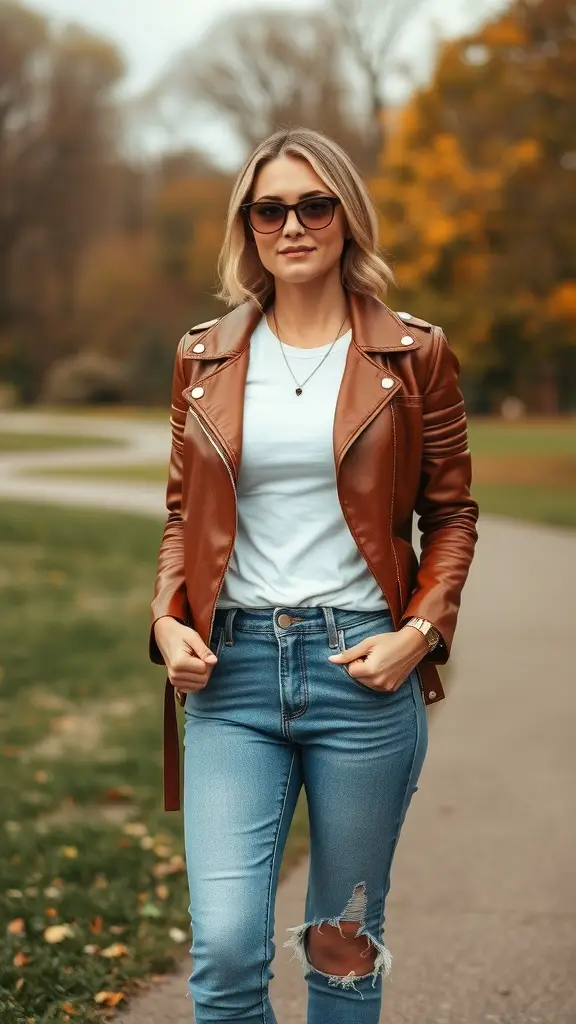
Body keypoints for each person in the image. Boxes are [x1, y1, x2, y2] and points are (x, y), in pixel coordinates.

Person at [149, 126, 479, 1024]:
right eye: (270, 209)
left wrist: (418, 635)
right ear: (248, 228)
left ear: (346, 216)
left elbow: (450, 515)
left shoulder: (415, 355)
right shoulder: (203, 356)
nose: (292, 224)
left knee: (342, 951)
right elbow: (184, 516)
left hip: (363, 676)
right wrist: (165, 618)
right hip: (232, 675)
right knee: (222, 949)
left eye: (314, 204)